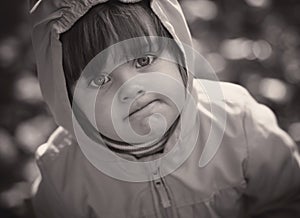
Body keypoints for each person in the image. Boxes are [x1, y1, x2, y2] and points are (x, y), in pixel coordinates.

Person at [29, 0, 300, 217]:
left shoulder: (235, 120)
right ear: (68, 98)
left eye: (144, 60)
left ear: (178, 53)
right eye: (101, 80)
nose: (131, 88)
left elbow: (287, 199)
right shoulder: (63, 175)